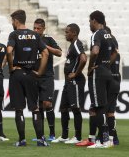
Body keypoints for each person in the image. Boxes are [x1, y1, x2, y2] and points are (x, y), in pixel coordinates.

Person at [7, 10, 49, 147]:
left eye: (13, 21)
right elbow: (46, 53)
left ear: (16, 21)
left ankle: (22, 140)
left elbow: (8, 51)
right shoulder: (35, 35)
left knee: (19, 109)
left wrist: (11, 66)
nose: (12, 23)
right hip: (31, 74)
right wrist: (40, 71)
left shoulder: (14, 34)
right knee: (35, 107)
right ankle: (41, 140)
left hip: (17, 74)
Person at [80, 11, 117, 148]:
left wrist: (91, 67)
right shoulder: (109, 34)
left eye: (90, 21)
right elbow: (115, 52)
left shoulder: (97, 34)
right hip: (107, 72)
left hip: (98, 73)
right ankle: (103, 140)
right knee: (100, 106)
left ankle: (104, 141)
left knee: (99, 106)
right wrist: (107, 65)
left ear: (94, 20)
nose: (89, 24)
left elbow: (95, 51)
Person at [52, 23, 87, 144]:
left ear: (74, 33)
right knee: (63, 107)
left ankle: (78, 137)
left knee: (75, 108)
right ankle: (65, 135)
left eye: (67, 32)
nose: (65, 34)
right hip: (68, 82)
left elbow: (83, 59)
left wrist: (76, 73)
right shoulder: (72, 45)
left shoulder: (77, 44)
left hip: (75, 81)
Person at [32, 18, 62, 141]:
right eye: (34, 28)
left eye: (38, 28)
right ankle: (41, 135)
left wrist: (45, 47)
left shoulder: (48, 39)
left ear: (44, 29)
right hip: (34, 76)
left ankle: (52, 134)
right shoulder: (30, 39)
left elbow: (59, 53)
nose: (36, 30)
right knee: (38, 106)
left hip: (47, 76)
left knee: (47, 103)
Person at [104, 26, 120, 146]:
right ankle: (114, 138)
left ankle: (106, 137)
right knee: (110, 111)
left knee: (105, 111)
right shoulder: (115, 47)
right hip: (116, 80)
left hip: (109, 81)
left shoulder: (108, 50)